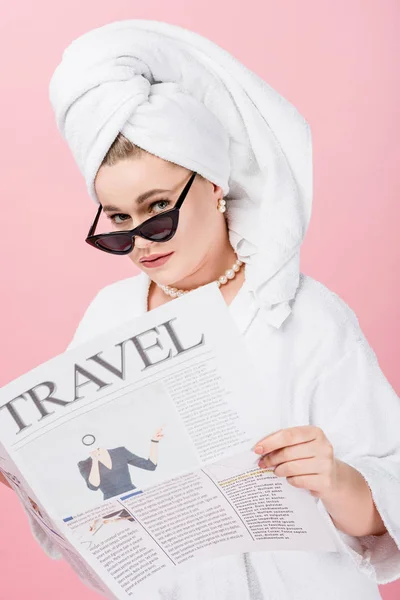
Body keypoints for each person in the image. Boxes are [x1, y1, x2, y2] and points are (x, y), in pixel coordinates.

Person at [1, 18, 399, 600]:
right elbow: (95, 520)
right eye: (116, 221)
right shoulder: (109, 316)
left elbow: (387, 507)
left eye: (158, 206)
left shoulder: (306, 316)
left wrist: (336, 479)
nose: (141, 241)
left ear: (213, 184)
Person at [77, 428, 164, 500]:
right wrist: (95, 460)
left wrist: (154, 441)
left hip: (134, 496)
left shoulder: (120, 452)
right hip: (112, 502)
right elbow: (93, 486)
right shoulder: (84, 464)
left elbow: (150, 466)